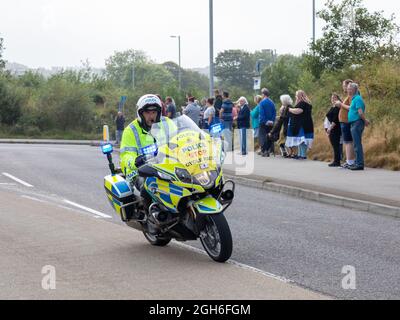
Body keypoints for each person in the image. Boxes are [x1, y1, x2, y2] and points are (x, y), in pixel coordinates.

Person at [336, 82, 370, 171]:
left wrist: (365, 120)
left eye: (350, 88)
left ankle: (359, 164)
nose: (348, 90)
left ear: (355, 89)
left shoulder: (358, 98)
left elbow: (360, 112)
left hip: (357, 122)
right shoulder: (354, 99)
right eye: (348, 88)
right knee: (355, 143)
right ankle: (356, 162)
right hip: (353, 123)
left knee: (357, 144)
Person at [286, 90, 314, 160]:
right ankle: (300, 154)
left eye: (296, 95)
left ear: (299, 96)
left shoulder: (302, 103)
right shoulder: (305, 103)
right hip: (305, 123)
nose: (296, 97)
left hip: (303, 124)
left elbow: (299, 111)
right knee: (301, 139)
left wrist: (290, 109)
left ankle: (303, 155)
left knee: (302, 140)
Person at [338, 79, 356, 169]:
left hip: (346, 121)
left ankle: (350, 161)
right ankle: (349, 160)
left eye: (344, 85)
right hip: (344, 121)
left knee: (348, 141)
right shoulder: (348, 96)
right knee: (347, 141)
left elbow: (351, 108)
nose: (343, 87)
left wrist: (340, 104)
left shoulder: (351, 96)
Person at [258, 88, 276, 157]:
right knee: (269, 136)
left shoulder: (262, 102)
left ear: (263, 94)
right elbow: (274, 112)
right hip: (271, 122)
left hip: (263, 122)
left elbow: (262, 113)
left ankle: (263, 150)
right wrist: (272, 120)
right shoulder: (272, 102)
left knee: (262, 136)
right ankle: (268, 150)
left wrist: (265, 121)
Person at [326, 93, 342, 167]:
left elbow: (335, 119)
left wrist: (330, 128)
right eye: (332, 98)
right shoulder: (333, 107)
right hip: (332, 127)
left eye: (335, 98)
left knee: (336, 145)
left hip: (335, 128)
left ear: (338, 99)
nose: (333, 99)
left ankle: (337, 161)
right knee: (334, 145)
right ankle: (336, 160)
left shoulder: (337, 108)